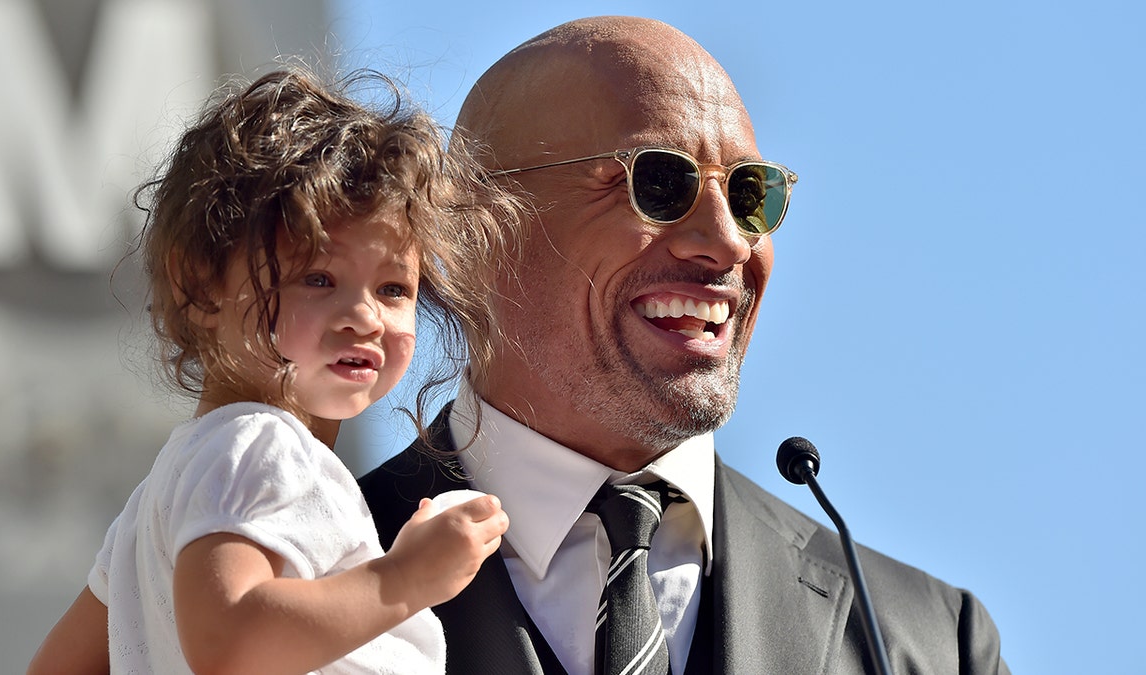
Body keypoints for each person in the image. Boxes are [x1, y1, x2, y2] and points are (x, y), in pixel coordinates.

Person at [359, 16, 1012, 674]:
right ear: (472, 233)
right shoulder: (305, 568)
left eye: (751, 194)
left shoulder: (929, 643)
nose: (729, 241)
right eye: (661, 184)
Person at [27, 66, 516, 674]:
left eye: (394, 288)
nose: (364, 317)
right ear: (200, 287)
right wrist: (407, 578)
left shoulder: (159, 498)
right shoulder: (260, 445)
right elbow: (231, 644)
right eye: (318, 279)